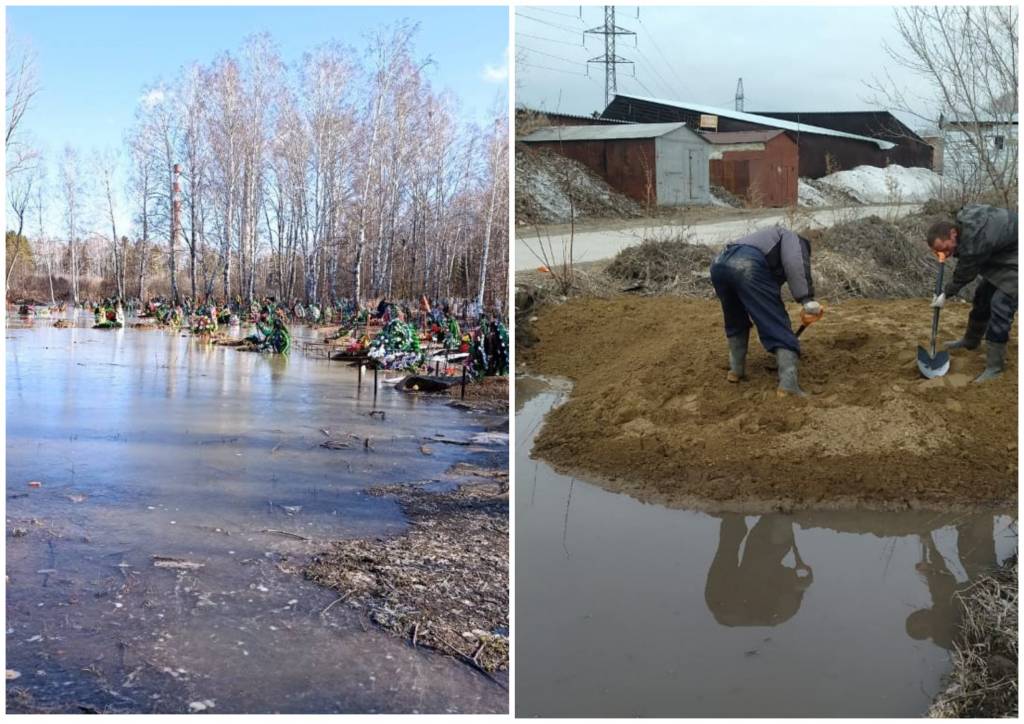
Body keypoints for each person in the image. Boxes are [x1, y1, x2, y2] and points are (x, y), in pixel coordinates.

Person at [709, 226, 823, 396]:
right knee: (775, 321)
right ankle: (788, 385)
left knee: (735, 317)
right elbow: (795, 262)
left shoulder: (766, 240)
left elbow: (765, 283)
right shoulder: (793, 239)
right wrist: (806, 298)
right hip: (746, 264)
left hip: (719, 263)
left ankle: (736, 370)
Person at [927, 204, 1018, 382]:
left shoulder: (975, 239)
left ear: (953, 234)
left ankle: (994, 367)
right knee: (983, 295)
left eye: (944, 248)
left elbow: (965, 272)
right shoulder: (966, 223)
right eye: (939, 252)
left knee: (1001, 304)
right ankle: (971, 340)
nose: (945, 254)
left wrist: (945, 293)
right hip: (1006, 253)